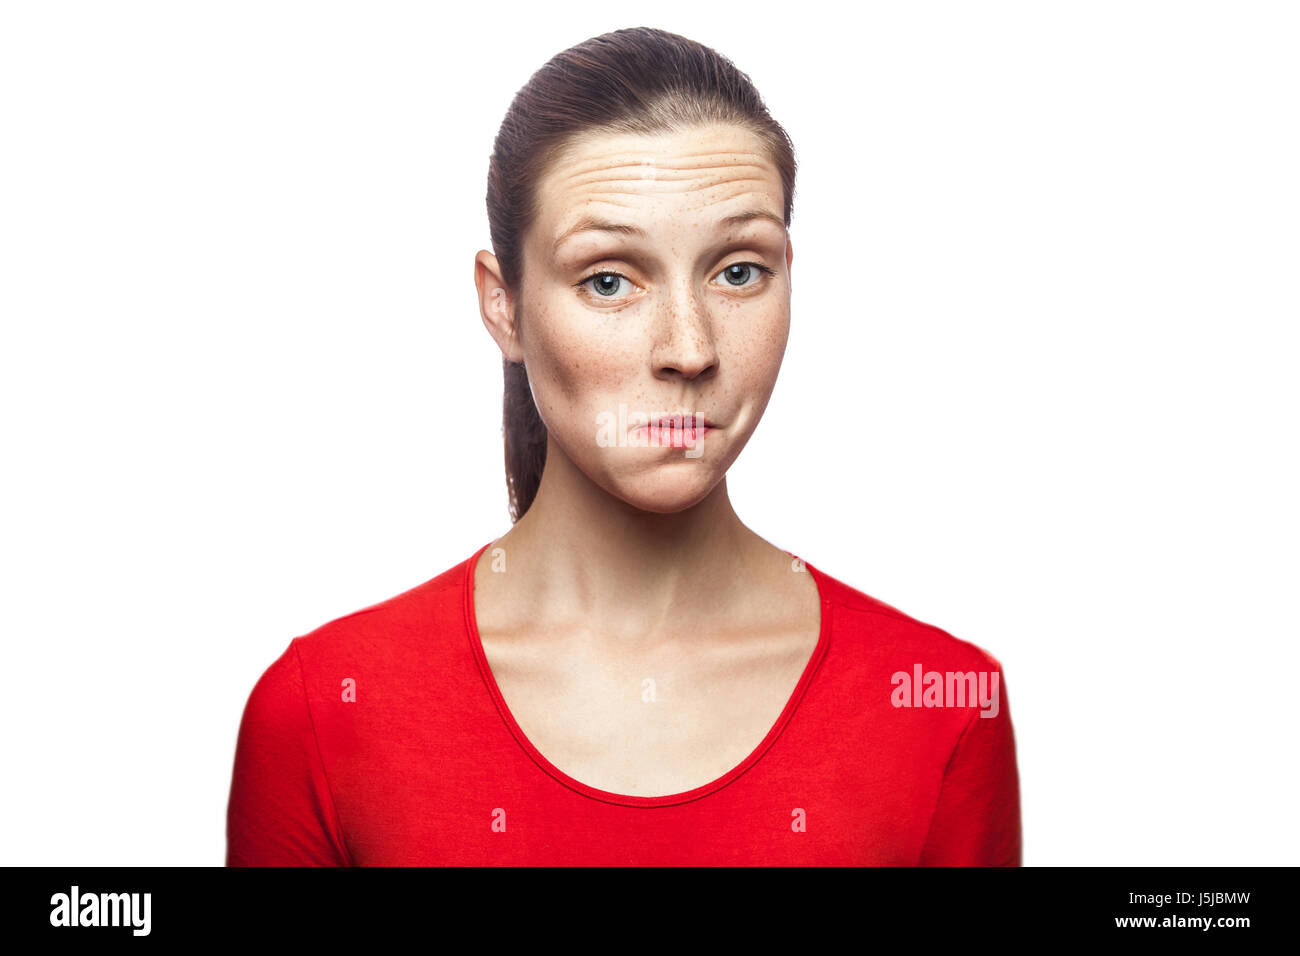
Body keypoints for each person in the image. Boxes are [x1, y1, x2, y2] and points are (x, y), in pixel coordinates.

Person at [225, 26, 1021, 866]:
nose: (689, 347)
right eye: (608, 280)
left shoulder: (939, 708)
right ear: (504, 307)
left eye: (739, 271)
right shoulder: (323, 715)